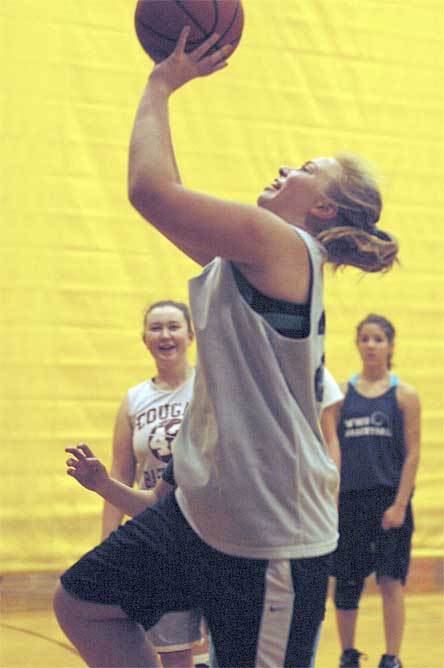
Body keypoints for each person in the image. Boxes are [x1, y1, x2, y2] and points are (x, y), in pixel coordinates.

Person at [54, 29, 399, 668]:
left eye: (303, 169)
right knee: (85, 602)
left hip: (272, 534)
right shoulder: (253, 257)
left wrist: (162, 83)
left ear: (322, 205)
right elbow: (169, 199)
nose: (283, 170)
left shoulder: (283, 245)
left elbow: (149, 191)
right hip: (203, 516)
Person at [64, 367, 343, 668]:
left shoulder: (288, 440)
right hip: (220, 580)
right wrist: (103, 485)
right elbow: (156, 503)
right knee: (76, 601)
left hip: (281, 580)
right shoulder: (198, 436)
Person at [101, 299, 201, 668]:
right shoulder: (134, 399)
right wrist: (108, 539)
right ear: (144, 339)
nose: (165, 335)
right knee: (172, 645)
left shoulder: (212, 387)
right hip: (158, 531)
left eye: (173, 326)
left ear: (191, 335)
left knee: (225, 639)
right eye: (156, 328)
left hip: (211, 529)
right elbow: (118, 476)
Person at [331, 314, 421, 668]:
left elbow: (413, 453)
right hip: (349, 501)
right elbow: (331, 450)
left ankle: (391, 656)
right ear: (357, 344)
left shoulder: (404, 395)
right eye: (364, 339)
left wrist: (400, 503)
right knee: (347, 581)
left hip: (389, 501)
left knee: (390, 579)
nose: (370, 345)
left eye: (378, 339)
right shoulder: (340, 394)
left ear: (390, 345)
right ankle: (348, 654)